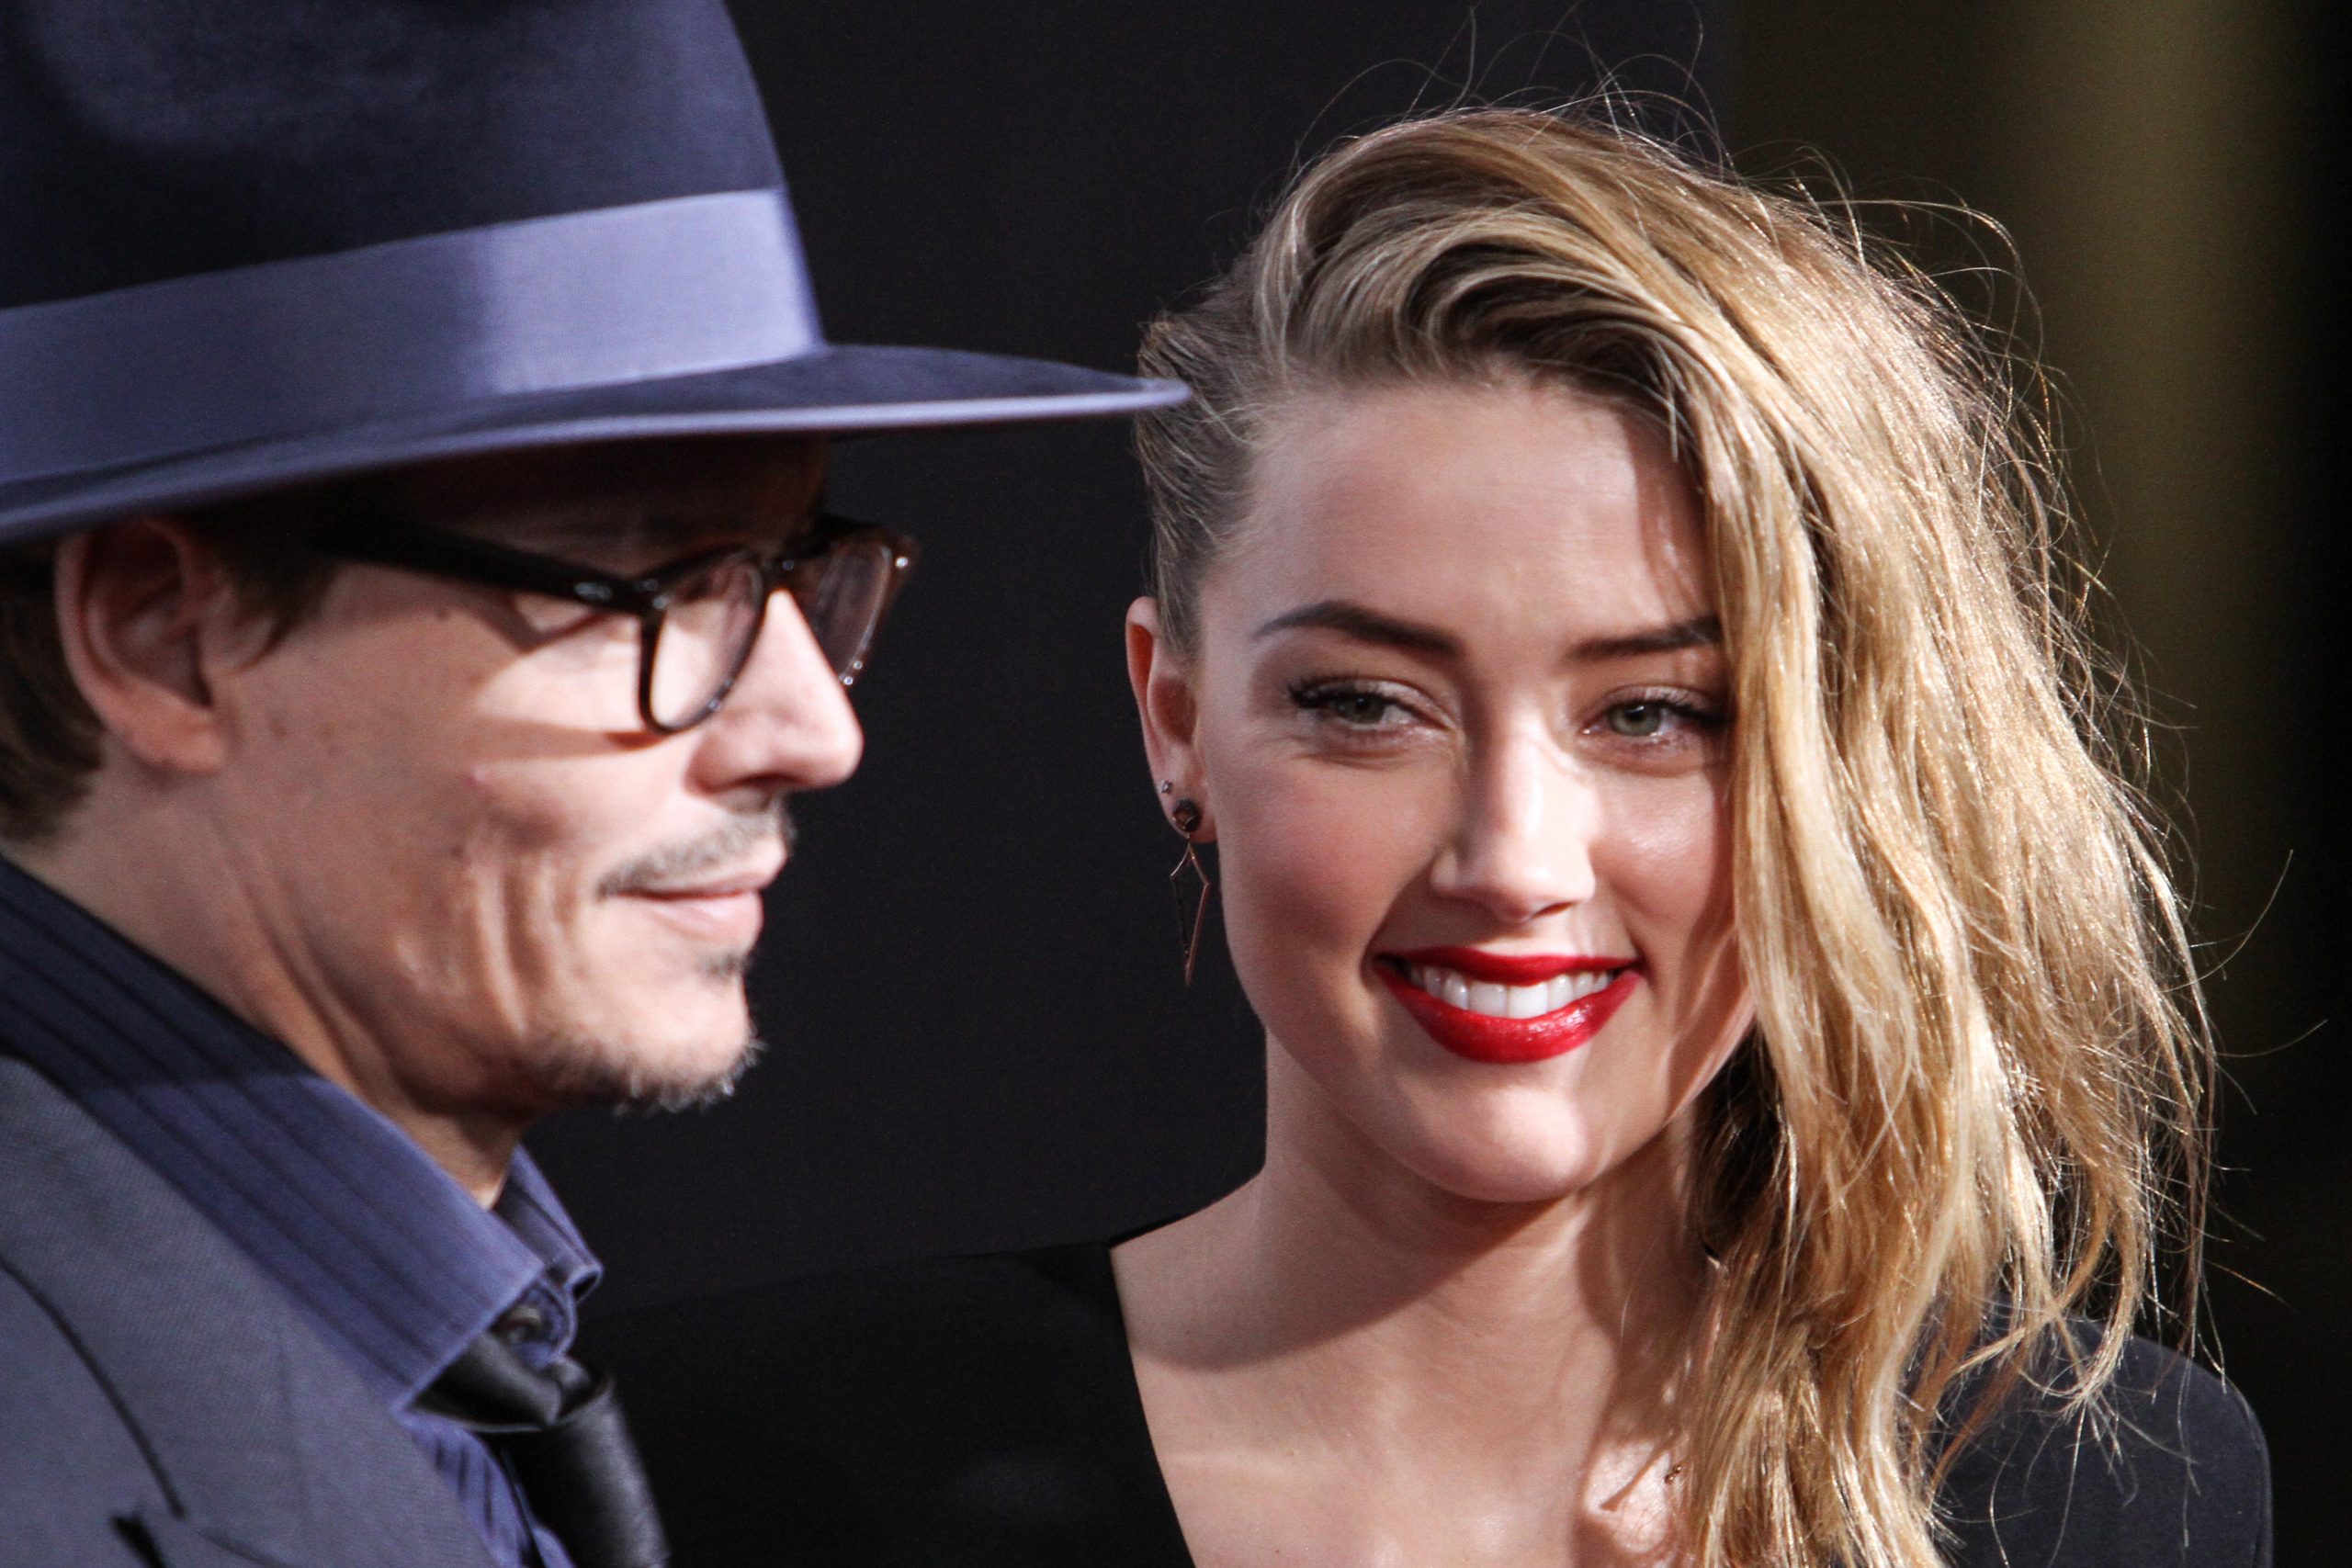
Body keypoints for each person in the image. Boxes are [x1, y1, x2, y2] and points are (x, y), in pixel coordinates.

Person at [599, 107, 2272, 1567]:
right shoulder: (730, 1473)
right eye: (1367, 704)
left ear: (1840, 764)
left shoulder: (2097, 1492)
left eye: (1655, 713)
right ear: (1175, 718)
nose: (1514, 860)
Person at [0, 2, 1181, 1565]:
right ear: (164, 638)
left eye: (791, 571)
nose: (813, 732)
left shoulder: (443, 1350)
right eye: (659, 588)